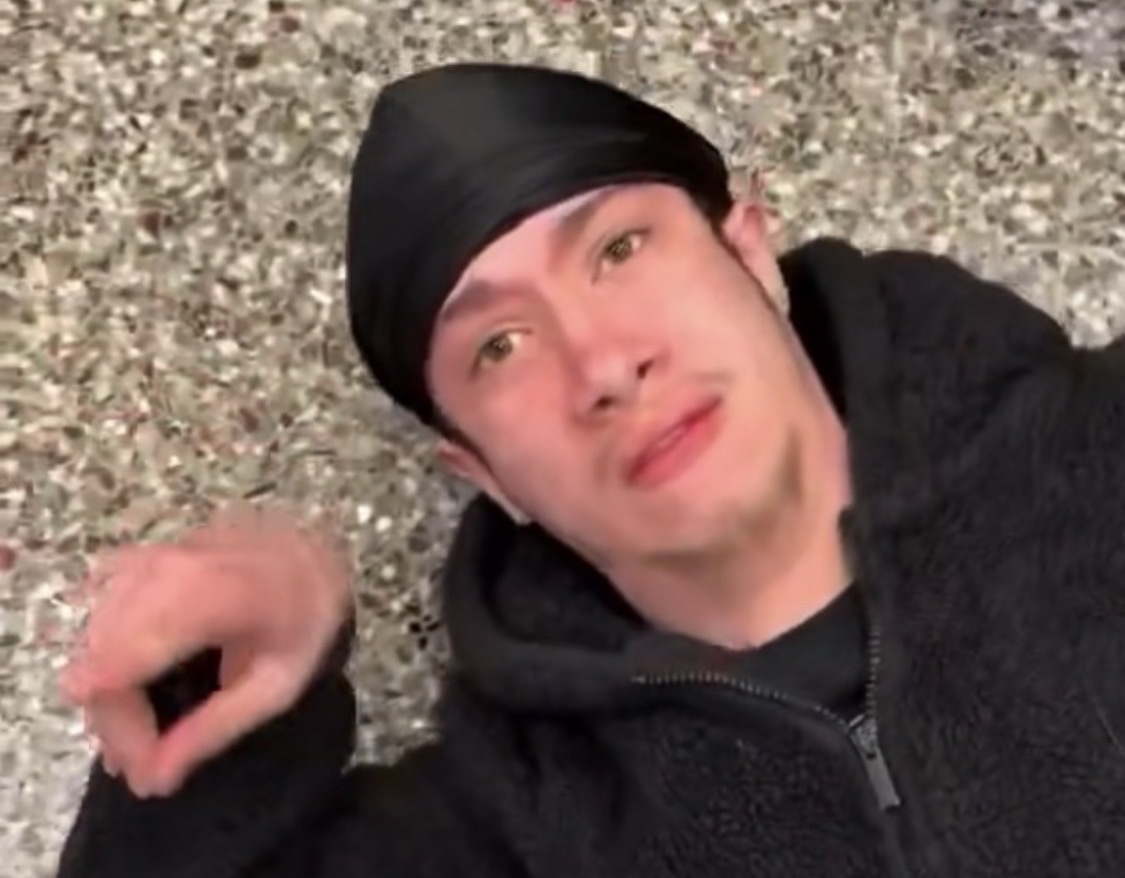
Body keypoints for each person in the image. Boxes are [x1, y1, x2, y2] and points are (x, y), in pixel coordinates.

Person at [54, 62, 1125, 878]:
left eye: (617, 249)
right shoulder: (511, 832)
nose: (604, 367)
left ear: (752, 254)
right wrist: (236, 666)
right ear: (483, 472)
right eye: (499, 346)